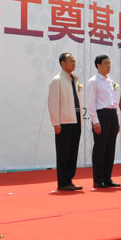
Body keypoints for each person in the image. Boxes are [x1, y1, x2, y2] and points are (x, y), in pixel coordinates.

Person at [48, 53, 84, 191]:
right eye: (70, 61)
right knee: (63, 153)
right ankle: (62, 182)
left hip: (76, 120)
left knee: (73, 153)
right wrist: (56, 123)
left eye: (74, 61)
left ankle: (69, 180)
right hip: (64, 122)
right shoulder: (57, 80)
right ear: (62, 63)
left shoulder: (74, 80)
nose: (73, 64)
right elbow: (53, 103)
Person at [85, 55, 121, 188]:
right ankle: (98, 179)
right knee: (100, 148)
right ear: (98, 65)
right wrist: (95, 121)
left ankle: (107, 178)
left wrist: (117, 120)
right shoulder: (93, 81)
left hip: (112, 115)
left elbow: (114, 102)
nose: (108, 66)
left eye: (109, 63)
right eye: (105, 63)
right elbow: (90, 102)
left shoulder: (110, 81)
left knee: (110, 148)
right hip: (101, 115)